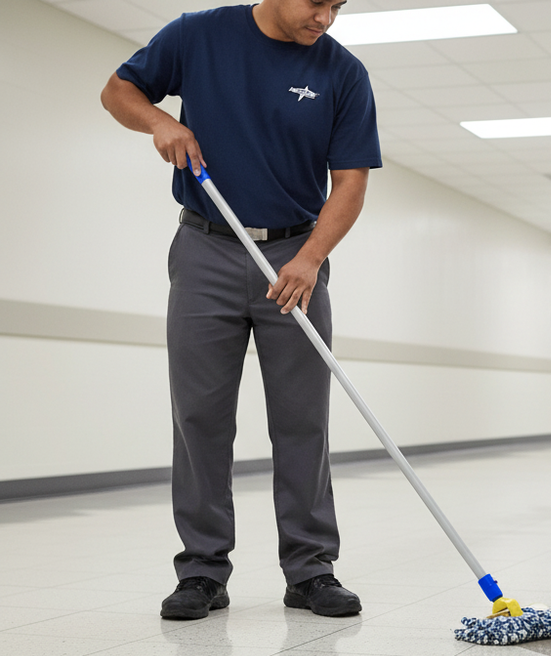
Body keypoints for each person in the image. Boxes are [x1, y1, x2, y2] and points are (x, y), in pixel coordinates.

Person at [101, 0, 381, 620]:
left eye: (339, 6)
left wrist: (310, 258)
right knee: (199, 416)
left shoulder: (342, 72)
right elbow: (118, 90)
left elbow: (352, 179)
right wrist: (157, 123)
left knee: (302, 417)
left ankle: (311, 570)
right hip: (206, 247)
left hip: (293, 255)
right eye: (318, 3)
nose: (326, 18)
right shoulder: (198, 35)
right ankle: (202, 571)